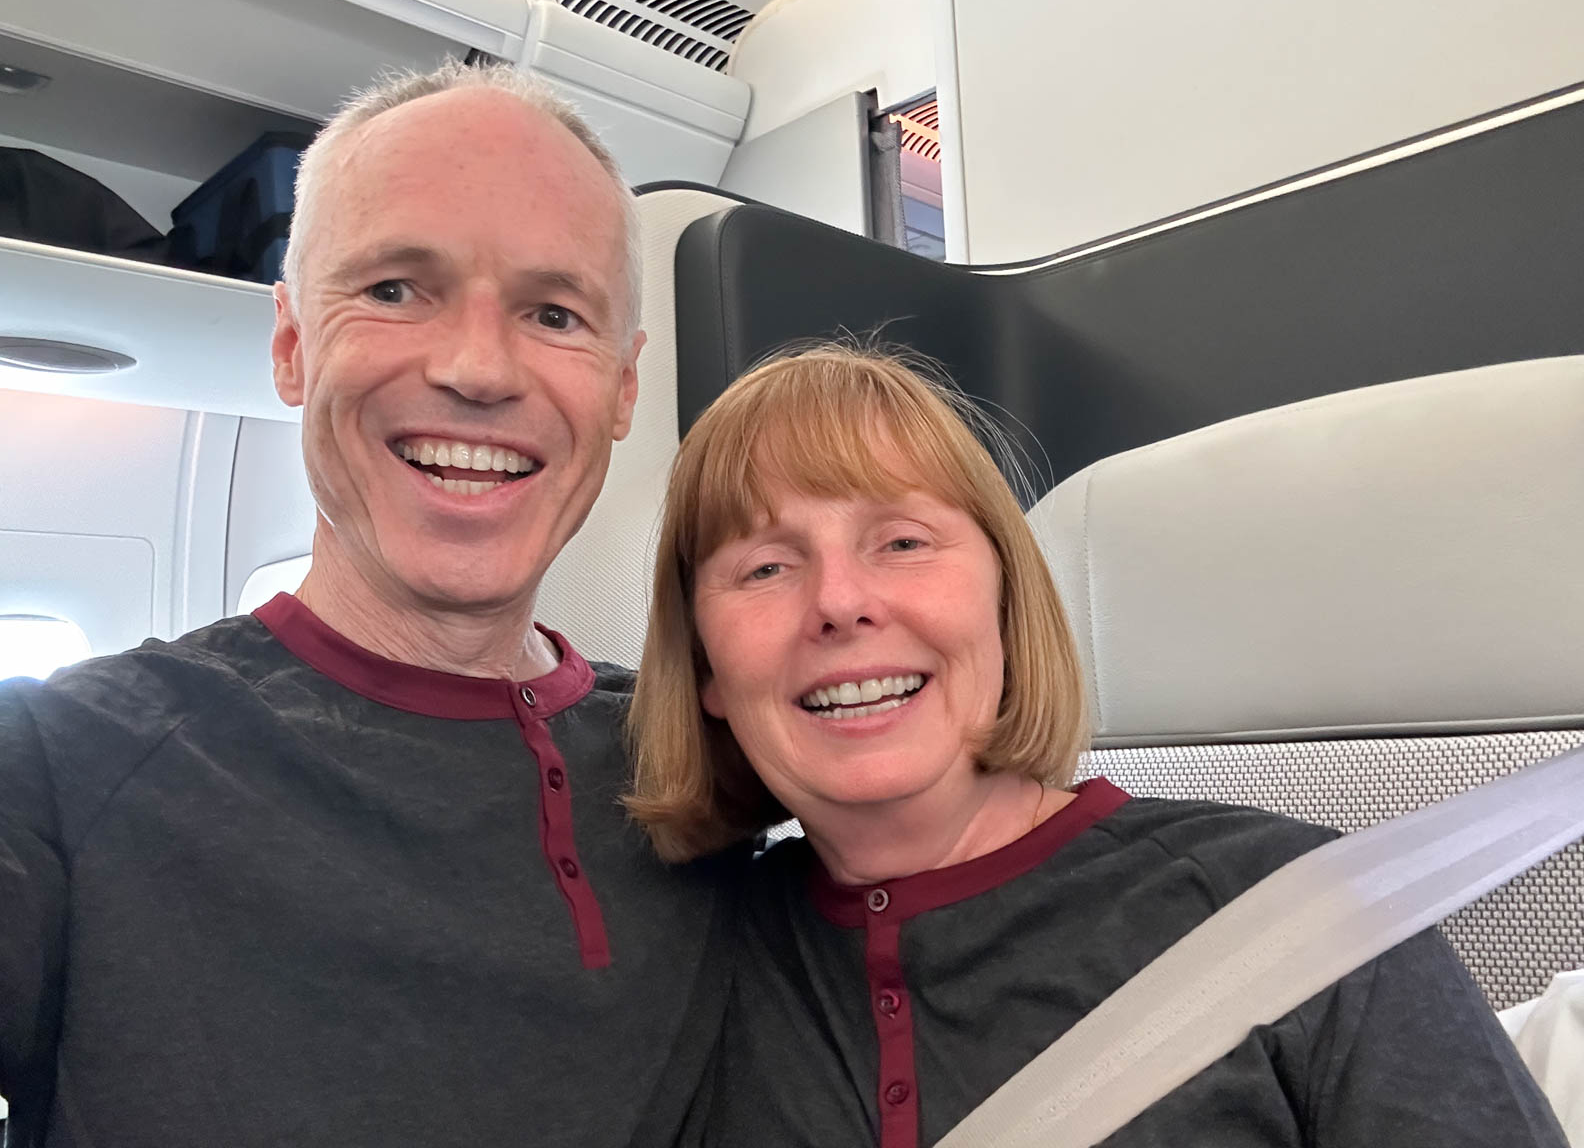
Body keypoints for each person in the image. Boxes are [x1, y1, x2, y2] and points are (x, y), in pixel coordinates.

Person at [0, 61, 737, 1146]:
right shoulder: (42, 767)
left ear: (622, 387)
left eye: (554, 311)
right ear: (291, 345)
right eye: (393, 289)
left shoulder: (704, 762)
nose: (479, 367)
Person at [626, 344, 1565, 1147]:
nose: (838, 602)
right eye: (765, 566)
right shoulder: (683, 963)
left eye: (903, 542)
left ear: (1004, 598)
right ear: (705, 663)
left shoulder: (1297, 911)